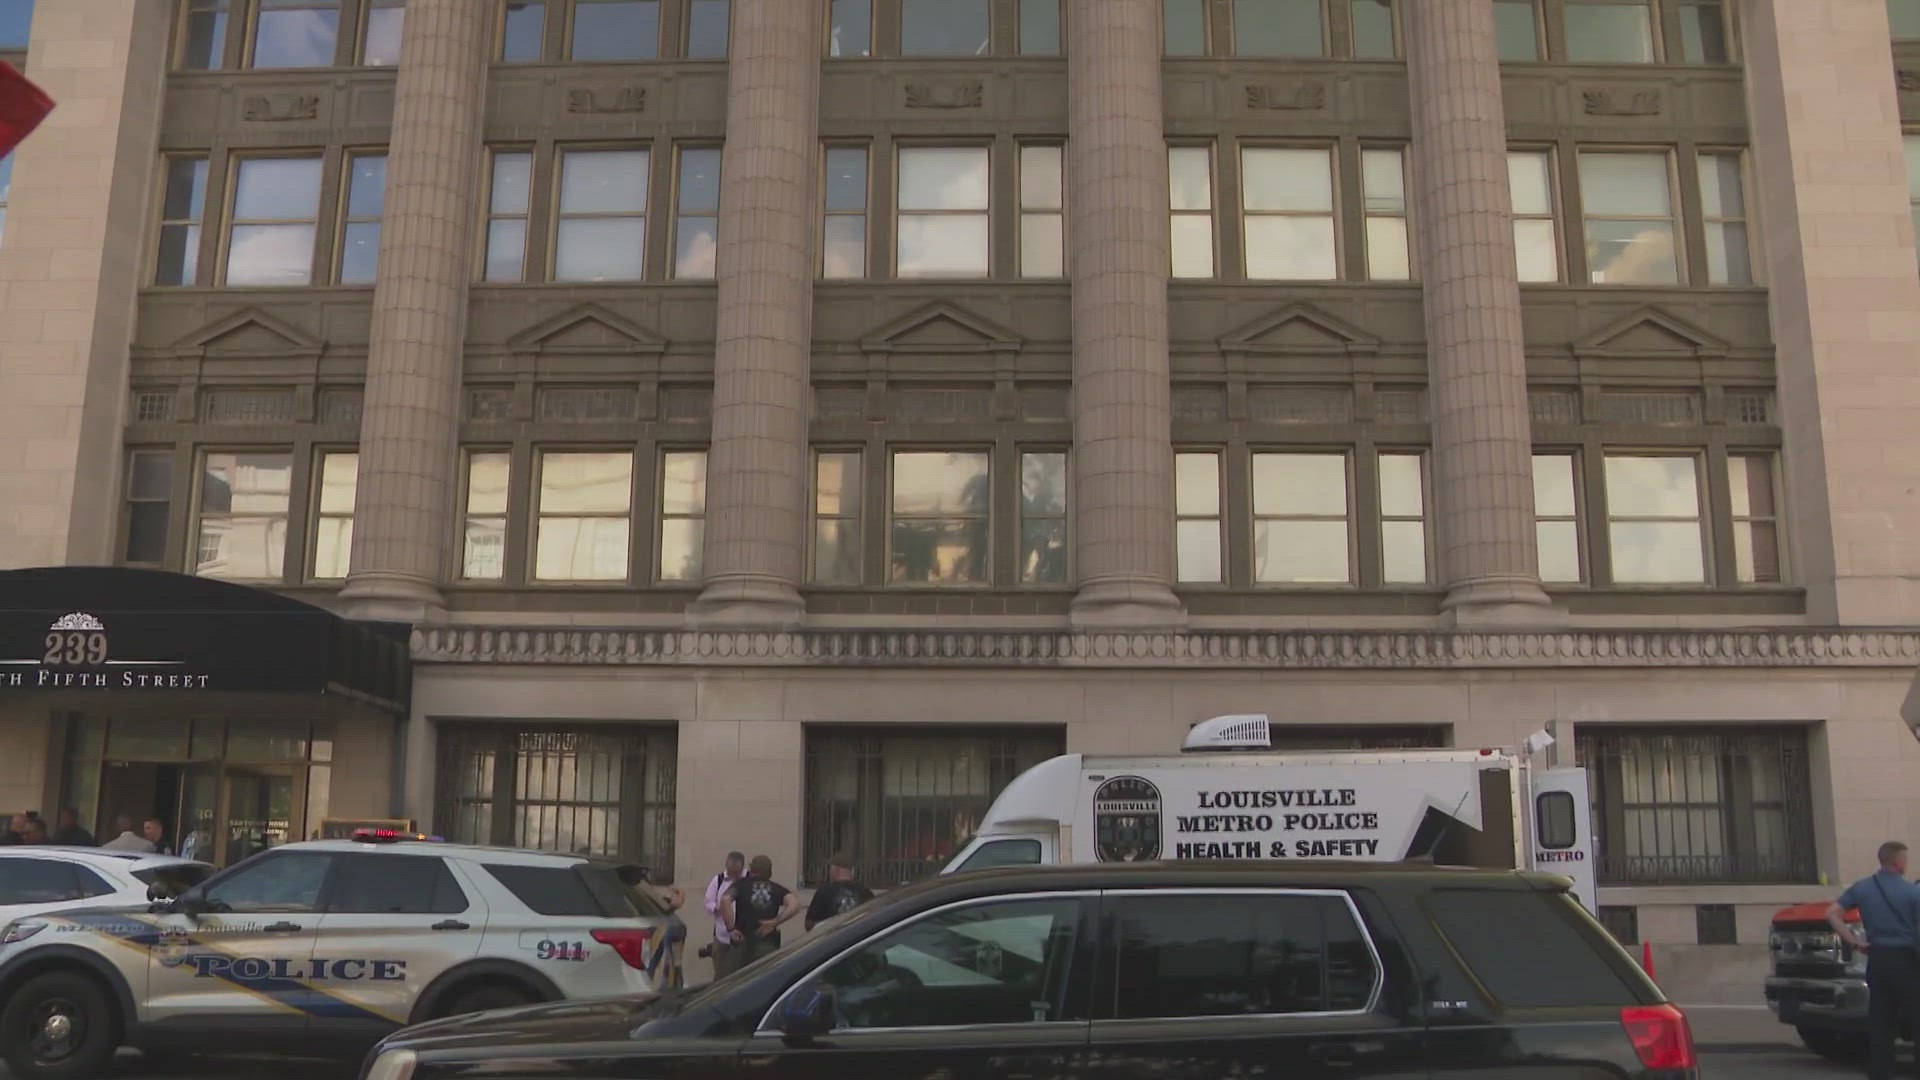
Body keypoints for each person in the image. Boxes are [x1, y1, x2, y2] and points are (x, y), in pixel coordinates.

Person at [1831, 840, 1920, 1080]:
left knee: (1881, 1019)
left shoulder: (1862, 888)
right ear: (1898, 862)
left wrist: (1854, 942)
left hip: (1877, 959)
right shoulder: (1913, 892)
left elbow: (1832, 913)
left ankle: (1880, 1071)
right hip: (1907, 960)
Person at [721, 855, 801, 971]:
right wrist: (775, 922)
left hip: (741, 940)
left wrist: (731, 929)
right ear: (769, 871)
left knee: (735, 983)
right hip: (766, 943)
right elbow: (795, 905)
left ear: (752, 869)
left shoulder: (741, 885)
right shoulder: (777, 888)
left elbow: (725, 900)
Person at [703, 851, 746, 978]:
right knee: (721, 973)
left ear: (742, 867)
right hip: (722, 935)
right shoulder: (719, 880)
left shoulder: (749, 879)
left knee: (742, 974)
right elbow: (708, 902)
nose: (733, 874)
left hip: (744, 935)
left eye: (736, 872)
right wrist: (716, 908)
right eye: (730, 870)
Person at [806, 851, 875, 931]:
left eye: (830, 869)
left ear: (835, 870)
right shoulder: (866, 892)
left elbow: (809, 924)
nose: (829, 872)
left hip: (834, 940)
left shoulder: (824, 891)